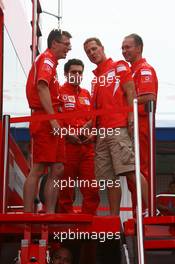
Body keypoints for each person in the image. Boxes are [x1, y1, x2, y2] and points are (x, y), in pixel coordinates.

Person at [84, 37, 148, 215]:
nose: (92, 53)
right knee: (109, 180)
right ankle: (113, 220)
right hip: (101, 134)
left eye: (94, 49)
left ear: (102, 48)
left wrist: (130, 117)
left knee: (131, 171)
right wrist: (88, 127)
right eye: (88, 52)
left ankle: (150, 209)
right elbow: (99, 111)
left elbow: (131, 91)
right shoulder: (96, 80)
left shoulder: (118, 65)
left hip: (118, 128)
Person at [24, 29, 72, 213]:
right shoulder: (47, 59)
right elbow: (42, 87)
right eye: (66, 44)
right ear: (54, 43)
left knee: (58, 167)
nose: (69, 48)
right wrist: (52, 120)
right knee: (38, 167)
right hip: (45, 119)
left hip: (53, 119)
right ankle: (27, 215)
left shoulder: (52, 63)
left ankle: (50, 213)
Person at [122, 33, 158, 216]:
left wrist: (126, 103)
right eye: (122, 48)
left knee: (141, 169)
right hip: (132, 125)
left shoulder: (144, 69)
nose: (124, 51)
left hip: (142, 124)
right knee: (132, 171)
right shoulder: (131, 71)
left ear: (139, 48)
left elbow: (149, 95)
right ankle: (139, 211)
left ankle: (147, 210)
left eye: (128, 47)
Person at [57, 58, 100, 214]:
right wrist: (67, 134)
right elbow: (53, 119)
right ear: (66, 74)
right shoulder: (58, 92)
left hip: (86, 147)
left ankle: (89, 221)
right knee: (66, 188)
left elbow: (94, 119)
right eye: (73, 72)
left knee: (91, 188)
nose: (77, 75)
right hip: (67, 146)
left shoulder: (87, 93)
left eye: (79, 72)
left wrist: (93, 134)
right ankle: (64, 222)